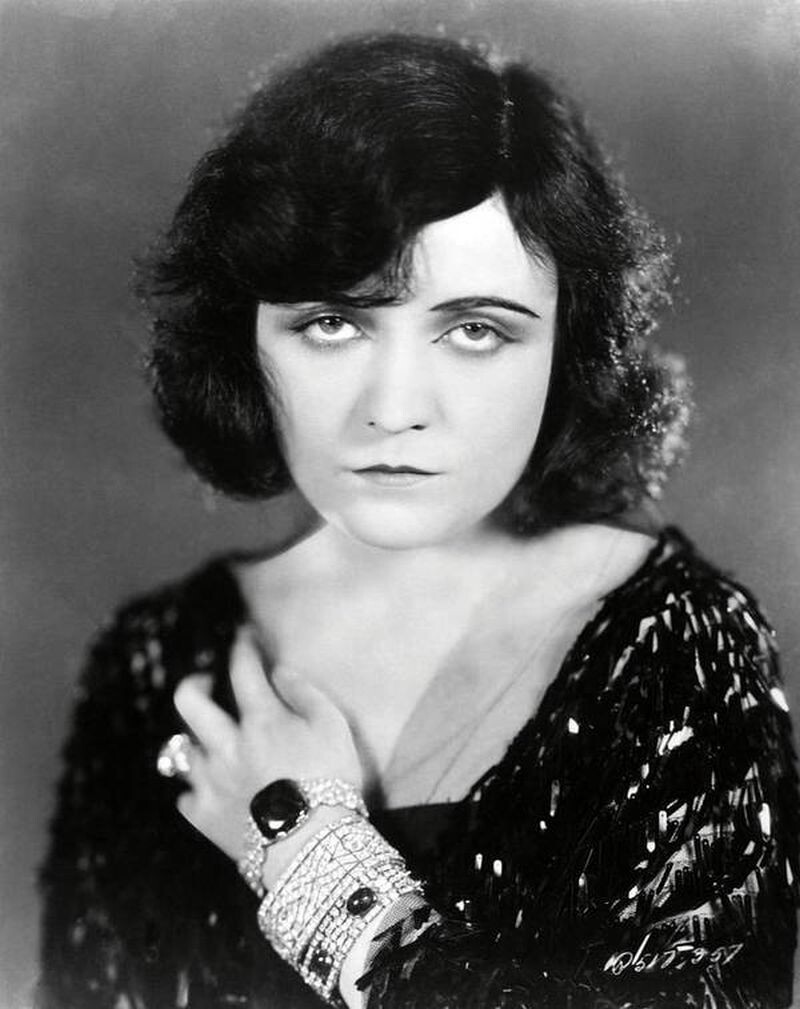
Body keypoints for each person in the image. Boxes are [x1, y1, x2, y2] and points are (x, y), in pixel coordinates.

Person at [38, 31, 798, 1009]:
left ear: (566, 349)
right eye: (332, 322)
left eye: (474, 329)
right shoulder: (153, 668)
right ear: (245, 342)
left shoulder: (677, 649)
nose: (395, 407)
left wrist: (312, 858)